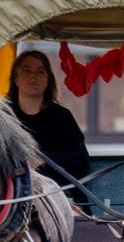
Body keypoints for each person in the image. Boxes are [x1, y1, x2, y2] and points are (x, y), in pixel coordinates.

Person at [6, 49, 91, 197]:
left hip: (62, 196)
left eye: (41, 71)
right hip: (13, 196)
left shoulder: (62, 117)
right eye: (27, 70)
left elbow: (81, 162)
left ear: (48, 80)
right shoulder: (2, 118)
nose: (33, 76)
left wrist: (42, 159)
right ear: (16, 79)